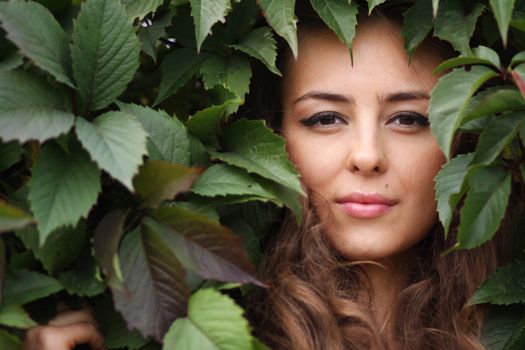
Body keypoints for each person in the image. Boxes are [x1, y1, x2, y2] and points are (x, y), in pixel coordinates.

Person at [24, 4, 509, 350]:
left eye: (409, 119)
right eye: (324, 119)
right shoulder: (191, 327)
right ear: (272, 141)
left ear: (463, 143)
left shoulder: (509, 320)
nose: (366, 156)